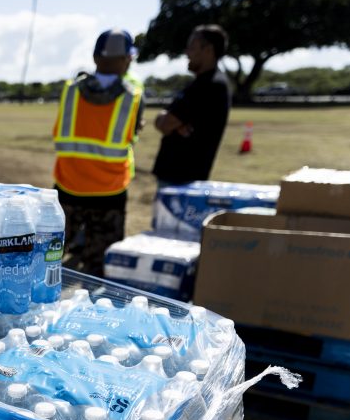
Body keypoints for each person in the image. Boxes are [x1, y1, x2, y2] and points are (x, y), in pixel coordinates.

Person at [51, 29, 144, 277]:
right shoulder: (132, 96)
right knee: (99, 267)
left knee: (49, 260)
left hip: (68, 186)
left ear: (95, 57)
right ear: (126, 59)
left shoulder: (70, 91)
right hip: (109, 191)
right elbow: (132, 135)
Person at [152, 25, 231, 186]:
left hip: (182, 178)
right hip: (176, 176)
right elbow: (167, 120)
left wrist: (165, 120)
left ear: (208, 50)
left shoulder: (209, 85)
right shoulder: (199, 84)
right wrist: (168, 120)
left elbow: (166, 124)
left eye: (192, 47)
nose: (187, 53)